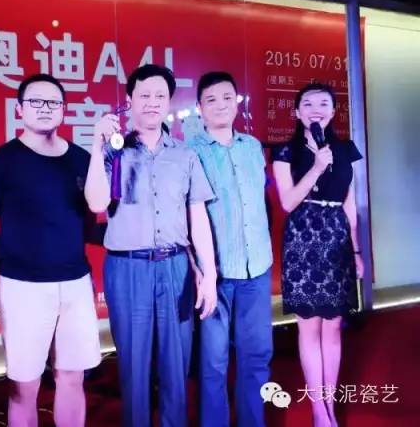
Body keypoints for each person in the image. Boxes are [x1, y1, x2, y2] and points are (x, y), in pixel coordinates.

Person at [85, 64, 218, 427]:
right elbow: (96, 202)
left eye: (160, 95)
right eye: (144, 95)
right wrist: (96, 146)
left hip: (176, 267)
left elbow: (198, 218)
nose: (152, 102)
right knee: (134, 367)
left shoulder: (184, 155)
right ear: (130, 100)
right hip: (127, 269)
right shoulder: (114, 151)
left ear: (169, 101)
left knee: (177, 363)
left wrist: (209, 275)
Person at [0, 74, 101, 427]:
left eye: (53, 102)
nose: (45, 109)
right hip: (22, 288)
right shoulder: (1, 163)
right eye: (36, 102)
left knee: (72, 376)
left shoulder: (81, 159)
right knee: (24, 386)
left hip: (75, 283)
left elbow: (89, 219)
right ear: (19, 109)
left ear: (64, 109)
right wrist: (8, 267)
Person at [272, 83, 364, 427]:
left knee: (334, 326)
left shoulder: (346, 150)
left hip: (337, 240)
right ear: (297, 112)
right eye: (308, 104)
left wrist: (356, 249)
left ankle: (330, 403)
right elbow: (287, 202)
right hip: (303, 241)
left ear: (333, 111)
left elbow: (350, 205)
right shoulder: (285, 150)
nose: (316, 109)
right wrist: (315, 166)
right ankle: (317, 409)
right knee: (309, 328)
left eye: (324, 103)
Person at [186, 72, 273, 427]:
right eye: (211, 100)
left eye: (227, 97)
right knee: (213, 362)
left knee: (257, 355)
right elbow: (186, 216)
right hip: (216, 274)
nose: (220, 105)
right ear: (199, 108)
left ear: (237, 102)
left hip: (257, 268)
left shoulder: (252, 147)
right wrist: (198, 269)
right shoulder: (191, 152)